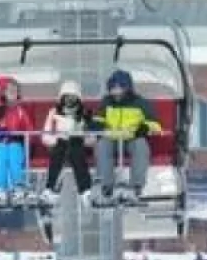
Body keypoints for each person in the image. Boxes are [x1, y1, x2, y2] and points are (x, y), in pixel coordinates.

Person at [91, 70, 161, 204]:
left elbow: (155, 124)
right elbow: (98, 119)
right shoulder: (107, 102)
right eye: (113, 89)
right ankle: (106, 187)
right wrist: (97, 126)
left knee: (141, 146)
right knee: (102, 145)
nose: (116, 92)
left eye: (119, 88)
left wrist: (143, 129)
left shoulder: (140, 103)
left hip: (131, 137)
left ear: (127, 88)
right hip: (112, 137)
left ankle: (135, 187)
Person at [0, 75, 34, 206]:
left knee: (14, 150)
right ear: (3, 92)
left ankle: (18, 189)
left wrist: (17, 136)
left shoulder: (20, 112)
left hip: (15, 143)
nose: (13, 94)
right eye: (10, 91)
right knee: (2, 151)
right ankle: (0, 190)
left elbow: (30, 133)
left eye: (16, 91)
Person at [41, 80, 94, 201]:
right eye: (67, 97)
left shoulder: (85, 114)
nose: (70, 100)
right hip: (59, 144)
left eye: (73, 97)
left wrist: (81, 137)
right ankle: (50, 189)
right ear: (62, 98)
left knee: (75, 147)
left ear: (78, 98)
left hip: (78, 145)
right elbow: (45, 136)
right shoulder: (54, 113)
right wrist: (59, 139)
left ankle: (85, 190)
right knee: (62, 148)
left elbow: (92, 137)